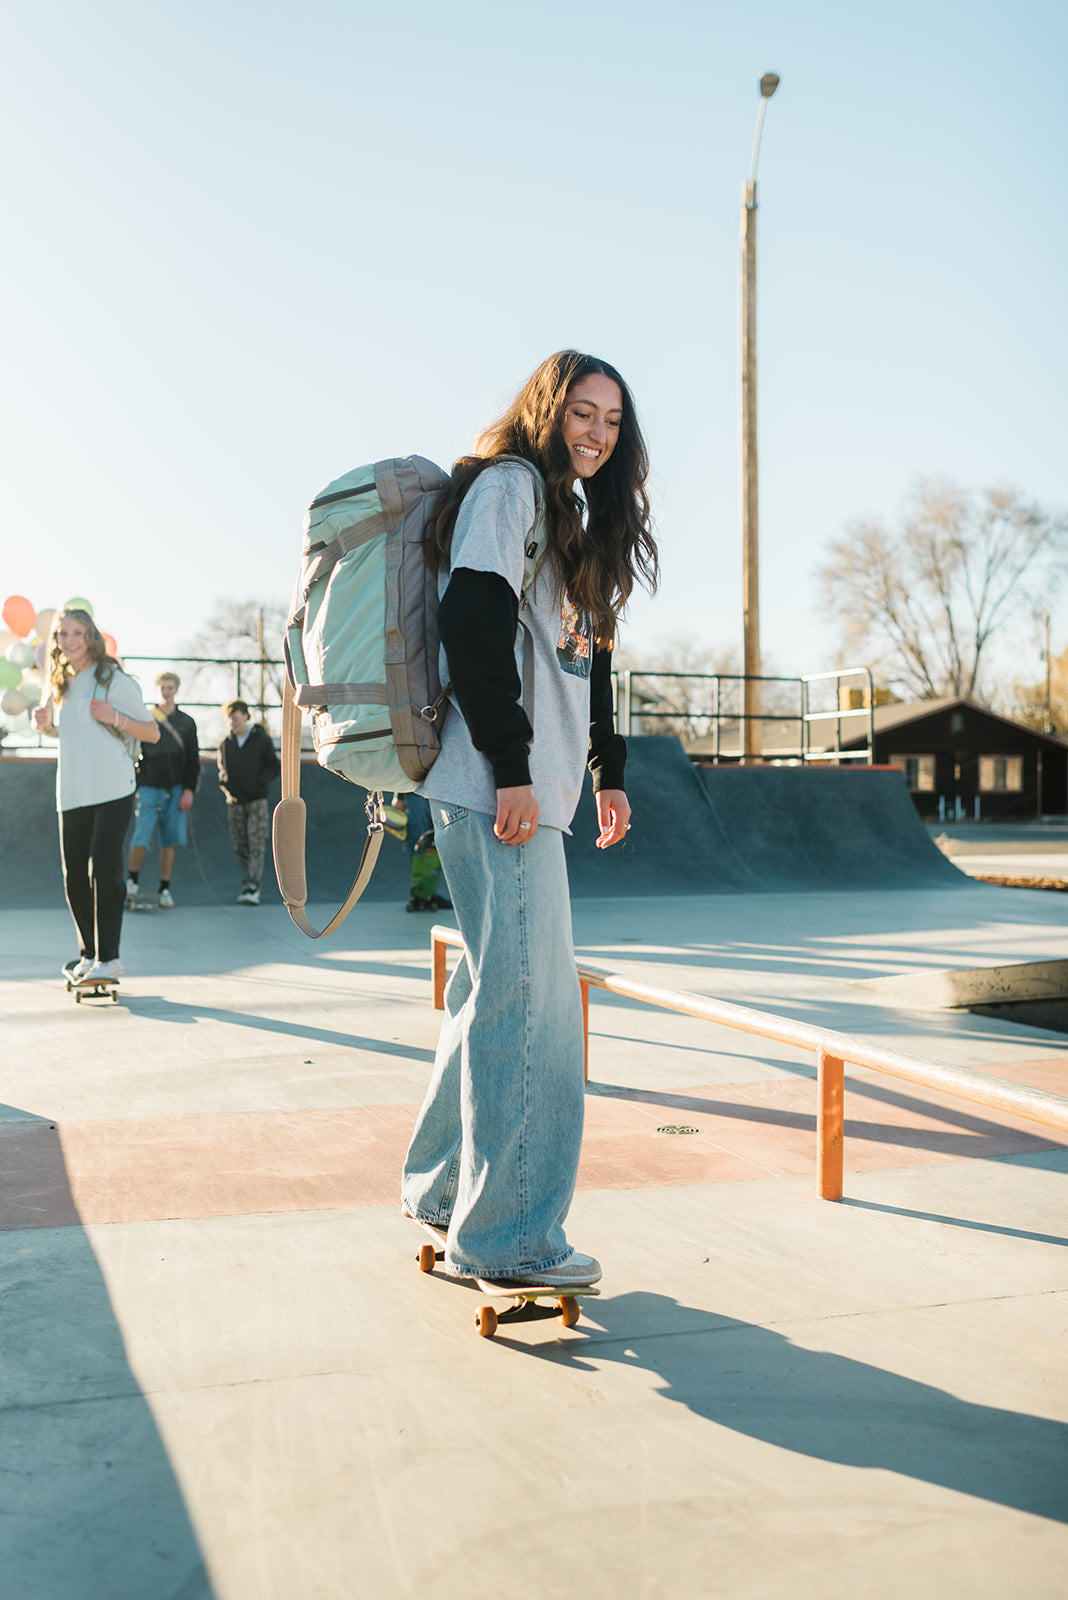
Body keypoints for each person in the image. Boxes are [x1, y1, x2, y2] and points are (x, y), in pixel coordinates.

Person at [401, 349, 658, 1288]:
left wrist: (608, 770)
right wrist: (513, 768)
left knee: (490, 992)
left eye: (612, 421)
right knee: (536, 1014)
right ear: (547, 411)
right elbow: (471, 625)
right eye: (582, 413)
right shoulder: (509, 487)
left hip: (530, 793)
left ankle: (440, 1193)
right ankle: (506, 1239)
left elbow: (586, 664)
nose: (596, 433)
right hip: (493, 791)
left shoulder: (573, 515)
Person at [34, 608, 161, 983]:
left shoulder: (115, 681)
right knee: (74, 876)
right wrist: (47, 729)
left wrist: (114, 717)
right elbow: (72, 735)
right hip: (71, 791)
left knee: (103, 870)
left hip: (112, 788)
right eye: (62, 634)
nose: (69, 641)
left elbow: (152, 733)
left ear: (91, 637)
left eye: (77, 633)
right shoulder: (60, 683)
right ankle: (89, 955)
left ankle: (111, 958)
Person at [126, 671, 200, 907]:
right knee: (141, 834)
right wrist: (135, 786)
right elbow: (136, 753)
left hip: (176, 788)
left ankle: (165, 889)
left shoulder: (187, 722)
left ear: (176, 689)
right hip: (148, 786)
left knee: (169, 840)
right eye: (163, 688)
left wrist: (189, 789)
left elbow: (192, 758)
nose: (166, 691)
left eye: (170, 687)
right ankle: (132, 883)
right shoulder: (146, 717)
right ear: (157, 689)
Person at [216, 698, 280, 905]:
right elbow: (222, 770)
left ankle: (253, 885)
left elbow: (273, 766)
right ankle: (248, 882)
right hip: (235, 802)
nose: (233, 723)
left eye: (235, 718)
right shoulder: (226, 744)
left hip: (256, 801)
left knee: (256, 843)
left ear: (245, 716)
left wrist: (258, 782)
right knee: (240, 844)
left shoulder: (260, 739)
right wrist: (227, 784)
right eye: (229, 720)